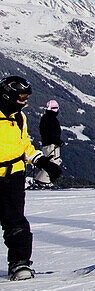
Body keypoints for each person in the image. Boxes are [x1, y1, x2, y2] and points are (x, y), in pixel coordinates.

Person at [0, 76, 62, 280]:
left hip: (14, 175)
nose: (26, 100)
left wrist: (43, 162)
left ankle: (19, 264)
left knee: (16, 222)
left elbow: (24, 145)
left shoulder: (19, 117)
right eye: (23, 96)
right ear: (9, 95)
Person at [34, 100, 63, 188]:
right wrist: (58, 141)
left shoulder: (45, 118)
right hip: (52, 144)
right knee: (54, 162)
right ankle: (44, 181)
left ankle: (39, 180)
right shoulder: (51, 119)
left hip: (46, 144)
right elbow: (51, 133)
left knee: (48, 162)